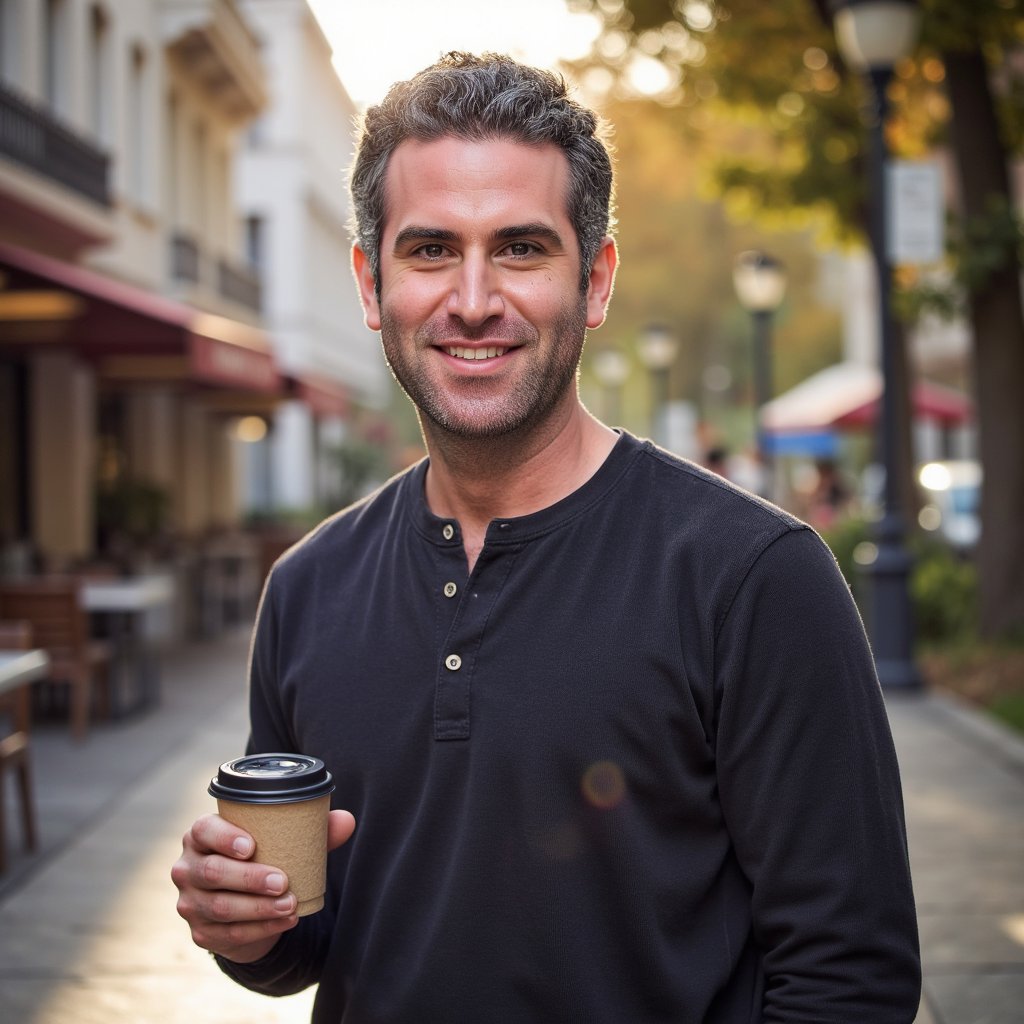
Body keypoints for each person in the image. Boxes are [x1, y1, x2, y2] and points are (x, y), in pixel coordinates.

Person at [172, 52, 920, 1022]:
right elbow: (311, 942)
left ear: (595, 280)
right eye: (430, 249)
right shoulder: (309, 585)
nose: (473, 299)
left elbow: (848, 979)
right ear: (370, 282)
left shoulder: (753, 580)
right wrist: (249, 922)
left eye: (521, 248)